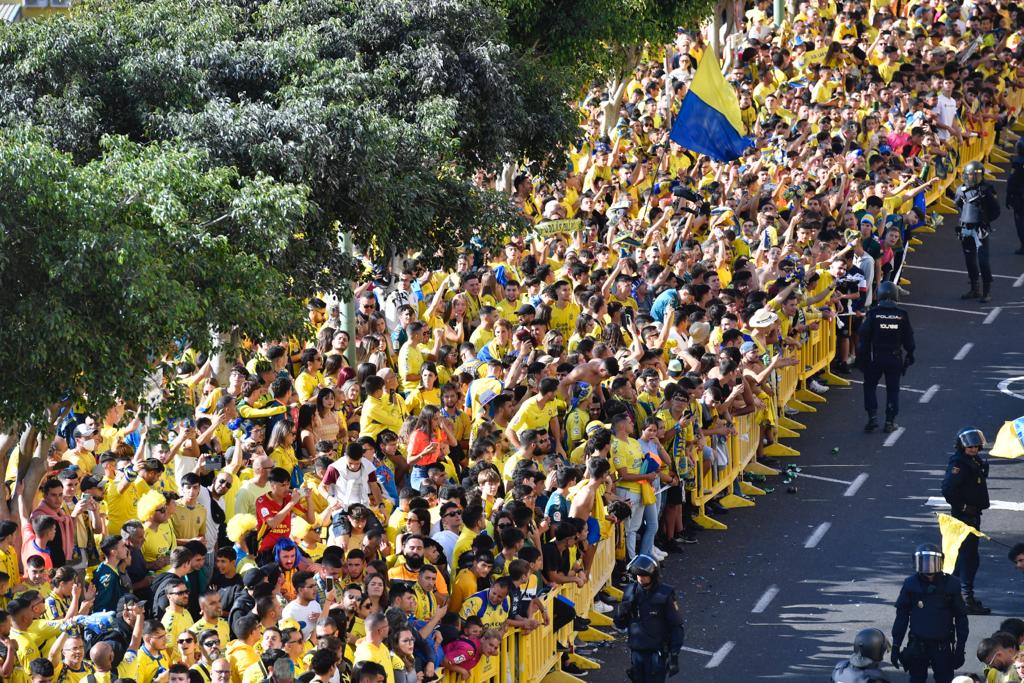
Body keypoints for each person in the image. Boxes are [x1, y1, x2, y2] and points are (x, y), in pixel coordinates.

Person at [890, 544, 969, 683]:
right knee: (917, 680)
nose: (928, 567)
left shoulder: (951, 584)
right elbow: (902, 617)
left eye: (932, 561)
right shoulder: (911, 584)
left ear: (940, 561)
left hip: (942, 646)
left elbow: (961, 618)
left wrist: (960, 649)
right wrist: (896, 646)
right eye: (924, 562)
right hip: (917, 645)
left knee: (944, 680)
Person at [941, 427, 991, 615]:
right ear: (962, 446)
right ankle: (965, 598)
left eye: (976, 446)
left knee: (965, 557)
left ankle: (952, 595)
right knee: (968, 558)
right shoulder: (959, 464)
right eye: (970, 447)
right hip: (964, 518)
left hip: (972, 515)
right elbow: (948, 489)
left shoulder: (973, 460)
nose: (974, 449)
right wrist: (963, 507)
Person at [613, 554, 684, 683]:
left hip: (656, 655)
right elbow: (620, 625)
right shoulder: (630, 592)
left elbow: (676, 626)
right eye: (638, 575)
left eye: (644, 575)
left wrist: (674, 655)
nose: (641, 579)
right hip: (636, 654)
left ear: (653, 575)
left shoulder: (665, 594)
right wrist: (621, 612)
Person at [856, 281, 914, 433]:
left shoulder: (873, 314)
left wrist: (861, 359)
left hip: (875, 358)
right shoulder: (902, 314)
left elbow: (863, 336)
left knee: (869, 386)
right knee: (893, 390)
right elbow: (909, 339)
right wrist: (910, 354)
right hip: (894, 358)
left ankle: (872, 417)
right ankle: (889, 422)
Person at [953, 160, 1000, 302]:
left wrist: (985, 221)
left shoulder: (986, 190)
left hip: (980, 229)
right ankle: (974, 289)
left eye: (974, 175)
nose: (971, 178)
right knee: (970, 261)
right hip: (965, 229)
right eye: (969, 175)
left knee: (983, 261)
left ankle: (987, 291)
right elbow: (959, 205)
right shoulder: (960, 190)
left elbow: (996, 210)